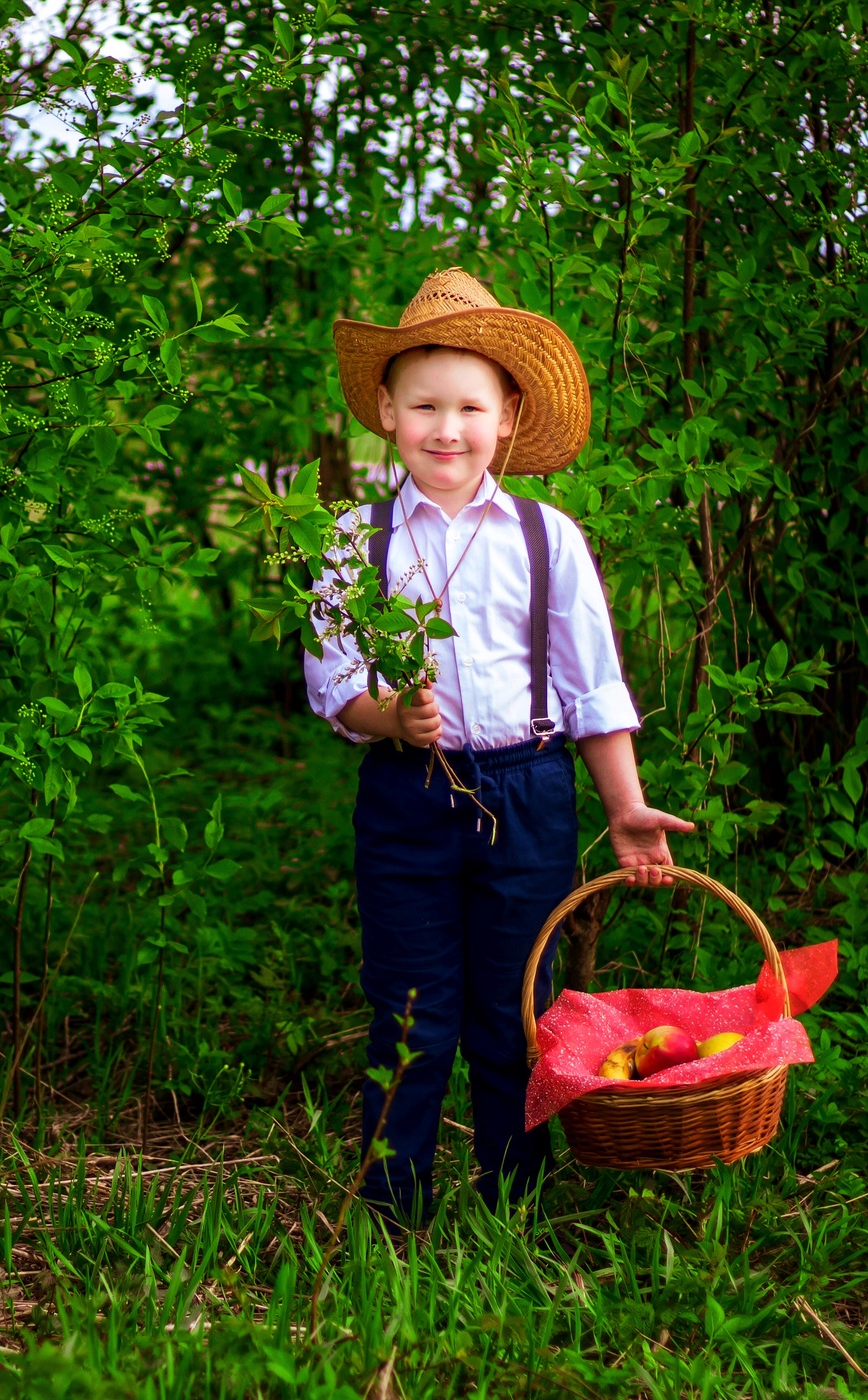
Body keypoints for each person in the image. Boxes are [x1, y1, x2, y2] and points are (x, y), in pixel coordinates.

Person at [305, 268, 694, 1222]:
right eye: (424, 406)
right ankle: (391, 1206)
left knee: (515, 1011)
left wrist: (624, 806)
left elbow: (591, 686)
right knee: (411, 1009)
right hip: (406, 795)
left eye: (469, 407)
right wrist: (389, 717)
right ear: (386, 413)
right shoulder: (356, 540)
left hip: (527, 793)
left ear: (508, 416)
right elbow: (332, 679)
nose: (447, 429)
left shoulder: (544, 537)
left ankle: (513, 1200)